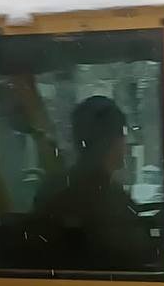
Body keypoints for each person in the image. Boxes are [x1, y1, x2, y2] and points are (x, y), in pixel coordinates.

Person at [34, 95, 155, 273]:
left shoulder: (53, 188)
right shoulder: (110, 200)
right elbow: (138, 258)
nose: (126, 144)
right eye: (122, 135)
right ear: (110, 141)